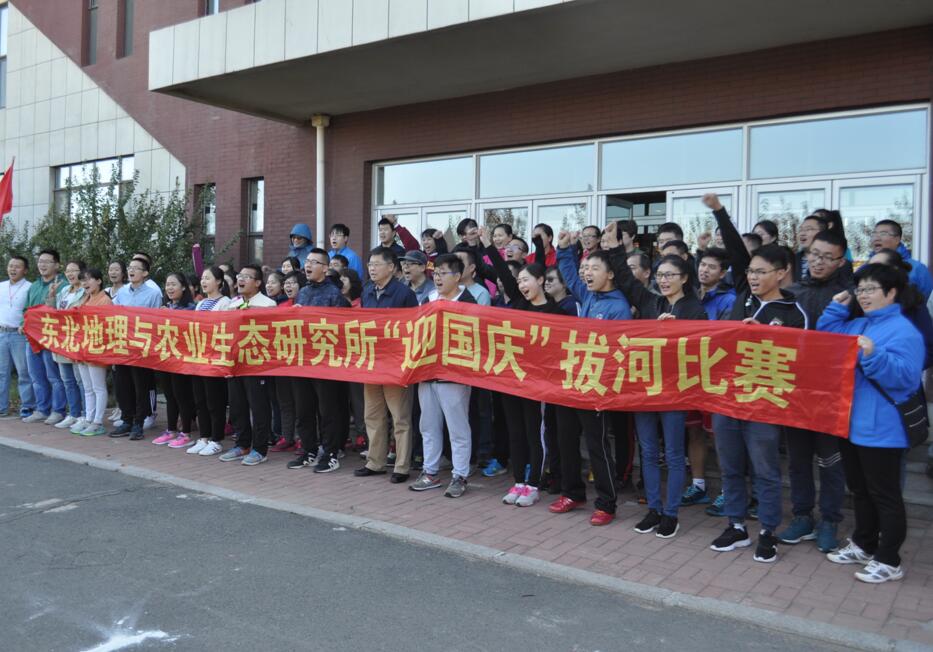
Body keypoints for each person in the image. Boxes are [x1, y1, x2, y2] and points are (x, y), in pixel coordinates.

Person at [705, 193, 808, 563]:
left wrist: (765, 336)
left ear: (781, 273)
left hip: (764, 404)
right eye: (750, 271)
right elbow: (735, 250)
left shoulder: (794, 312)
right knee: (731, 467)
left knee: (765, 471)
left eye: (761, 272)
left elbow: (799, 360)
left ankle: (767, 531)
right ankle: (736, 525)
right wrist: (720, 212)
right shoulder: (741, 294)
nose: (752, 277)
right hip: (727, 397)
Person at [818, 264, 922, 583]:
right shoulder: (859, 323)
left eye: (871, 289)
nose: (863, 295)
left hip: (884, 428)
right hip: (851, 422)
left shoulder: (905, 331)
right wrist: (837, 307)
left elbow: (905, 379)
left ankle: (889, 559)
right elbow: (826, 337)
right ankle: (864, 544)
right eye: (860, 289)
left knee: (885, 495)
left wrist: (874, 355)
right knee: (860, 490)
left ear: (891, 293)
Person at [774, 228, 852, 552]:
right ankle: (802, 516)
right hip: (795, 390)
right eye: (814, 255)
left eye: (827, 257)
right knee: (798, 459)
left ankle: (830, 520)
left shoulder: (850, 296)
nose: (818, 262)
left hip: (831, 392)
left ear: (841, 261)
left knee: (830, 460)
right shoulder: (791, 293)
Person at [553, 231, 632, 525]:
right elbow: (569, 274)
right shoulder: (587, 295)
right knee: (566, 438)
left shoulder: (618, 307)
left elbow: (619, 352)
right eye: (586, 268)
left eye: (594, 268)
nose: (587, 273)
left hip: (596, 386)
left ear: (610, 274)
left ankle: (607, 503)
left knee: (597, 445)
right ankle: (572, 492)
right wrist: (564, 249)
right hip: (573, 380)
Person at [482, 229, 564, 506]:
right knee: (515, 432)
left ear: (540, 280)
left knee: (534, 434)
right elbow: (502, 273)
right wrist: (487, 245)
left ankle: (534, 484)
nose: (521, 284)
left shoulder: (555, 312)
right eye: (519, 281)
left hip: (537, 385)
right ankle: (518, 482)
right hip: (512, 379)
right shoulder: (518, 305)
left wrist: (541, 245)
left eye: (526, 279)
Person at [631, 256, 706, 538]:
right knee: (648, 451)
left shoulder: (695, 310)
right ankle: (653, 509)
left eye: (669, 275)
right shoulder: (652, 303)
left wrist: (678, 331)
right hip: (646, 387)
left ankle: (671, 514)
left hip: (675, 391)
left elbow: (701, 348)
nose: (663, 280)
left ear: (684, 278)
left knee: (674, 454)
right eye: (660, 275)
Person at [409, 253, 475, 498]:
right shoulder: (428, 299)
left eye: (443, 273)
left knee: (458, 428)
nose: (437, 278)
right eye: (435, 273)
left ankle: (460, 475)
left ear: (457, 277)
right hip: (427, 373)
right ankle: (430, 472)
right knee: (428, 426)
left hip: (454, 375)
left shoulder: (468, 302)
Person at [355, 247, 419, 482]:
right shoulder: (367, 292)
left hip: (395, 365)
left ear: (391, 267)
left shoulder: (404, 294)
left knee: (400, 417)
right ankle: (375, 462)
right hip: (372, 362)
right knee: (372, 415)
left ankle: (401, 467)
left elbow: (414, 329)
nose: (372, 269)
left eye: (377, 264)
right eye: (370, 264)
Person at [290, 248, 351, 473]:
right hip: (303, 360)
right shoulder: (303, 293)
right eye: (307, 261)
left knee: (328, 410)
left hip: (326, 363)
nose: (308, 265)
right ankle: (309, 450)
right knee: (303, 409)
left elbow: (342, 328)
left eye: (314, 262)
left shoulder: (335, 295)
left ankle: (331, 453)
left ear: (325, 268)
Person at [217, 265, 277, 466]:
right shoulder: (232, 305)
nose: (240, 280)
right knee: (237, 406)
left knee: (259, 407)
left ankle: (260, 449)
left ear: (258, 282)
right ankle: (242, 444)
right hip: (235, 363)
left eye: (246, 277)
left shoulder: (268, 304)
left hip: (257, 365)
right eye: (239, 276)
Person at [108, 258, 163, 440]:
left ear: (145, 273)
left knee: (141, 386)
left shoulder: (153, 294)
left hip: (142, 348)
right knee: (123, 385)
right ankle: (127, 420)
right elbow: (114, 315)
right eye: (130, 268)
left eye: (136, 268)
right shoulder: (122, 292)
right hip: (123, 346)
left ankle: (139, 422)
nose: (131, 271)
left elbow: (157, 321)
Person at [187, 267, 232, 457]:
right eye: (203, 278)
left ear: (219, 281)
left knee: (215, 401)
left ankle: (216, 439)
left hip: (215, 360)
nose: (204, 282)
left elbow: (225, 329)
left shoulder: (225, 303)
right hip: (199, 357)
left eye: (208, 278)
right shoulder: (200, 303)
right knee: (200, 401)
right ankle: (204, 437)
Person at [151, 273, 198, 449]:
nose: (169, 288)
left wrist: (170, 315)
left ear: (183, 287)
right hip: (165, 357)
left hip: (182, 359)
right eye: (167, 284)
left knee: (182, 396)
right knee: (170, 395)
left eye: (173, 284)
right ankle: (170, 430)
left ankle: (186, 433)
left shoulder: (191, 308)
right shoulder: (165, 307)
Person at [869, 248, 933, 370]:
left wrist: (902, 369)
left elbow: (929, 348)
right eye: (869, 268)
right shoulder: (859, 299)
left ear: (895, 271)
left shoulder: (913, 303)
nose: (870, 273)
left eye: (877, 268)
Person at [23, 249, 67, 425]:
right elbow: (26, 310)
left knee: (54, 376)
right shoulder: (34, 286)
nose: (42, 265)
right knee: (36, 376)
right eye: (40, 261)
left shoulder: (63, 285)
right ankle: (42, 409)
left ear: (57, 265)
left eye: (47, 262)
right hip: (32, 337)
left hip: (51, 337)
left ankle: (58, 410)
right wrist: (23, 323)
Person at [72, 268, 111, 436]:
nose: (85, 283)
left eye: (88, 279)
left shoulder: (105, 300)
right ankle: (89, 419)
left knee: (98, 387)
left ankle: (97, 422)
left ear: (99, 281)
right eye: (82, 280)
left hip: (96, 350)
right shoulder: (85, 299)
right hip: (82, 348)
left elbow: (106, 326)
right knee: (87, 388)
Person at [48, 260, 86, 431]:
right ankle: (74, 414)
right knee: (67, 380)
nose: (70, 274)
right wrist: (51, 295)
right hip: (62, 341)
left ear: (82, 272)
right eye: (67, 271)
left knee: (80, 380)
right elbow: (53, 312)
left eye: (74, 271)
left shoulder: (85, 291)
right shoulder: (64, 290)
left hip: (77, 341)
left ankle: (85, 415)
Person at [0, 255, 34, 419]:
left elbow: (32, 311)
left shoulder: (30, 287)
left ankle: (27, 406)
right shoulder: (1, 286)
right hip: (1, 333)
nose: (13, 269)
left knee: (24, 372)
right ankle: (2, 407)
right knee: (1, 373)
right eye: (11, 266)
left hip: (19, 334)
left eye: (17, 266)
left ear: (25, 270)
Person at [870, 219, 933, 300]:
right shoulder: (866, 267)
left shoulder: (916, 268)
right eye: (874, 234)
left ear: (897, 239)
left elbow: (927, 300)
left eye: (883, 234)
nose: (876, 238)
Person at [696, 248, 736, 321]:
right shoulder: (691, 295)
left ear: (722, 273)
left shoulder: (729, 300)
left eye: (712, 267)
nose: (705, 270)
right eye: (703, 264)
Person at [794, 214, 828, 281]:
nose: (802, 233)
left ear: (822, 233)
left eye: (808, 229)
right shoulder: (792, 260)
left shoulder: (836, 262)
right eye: (800, 229)